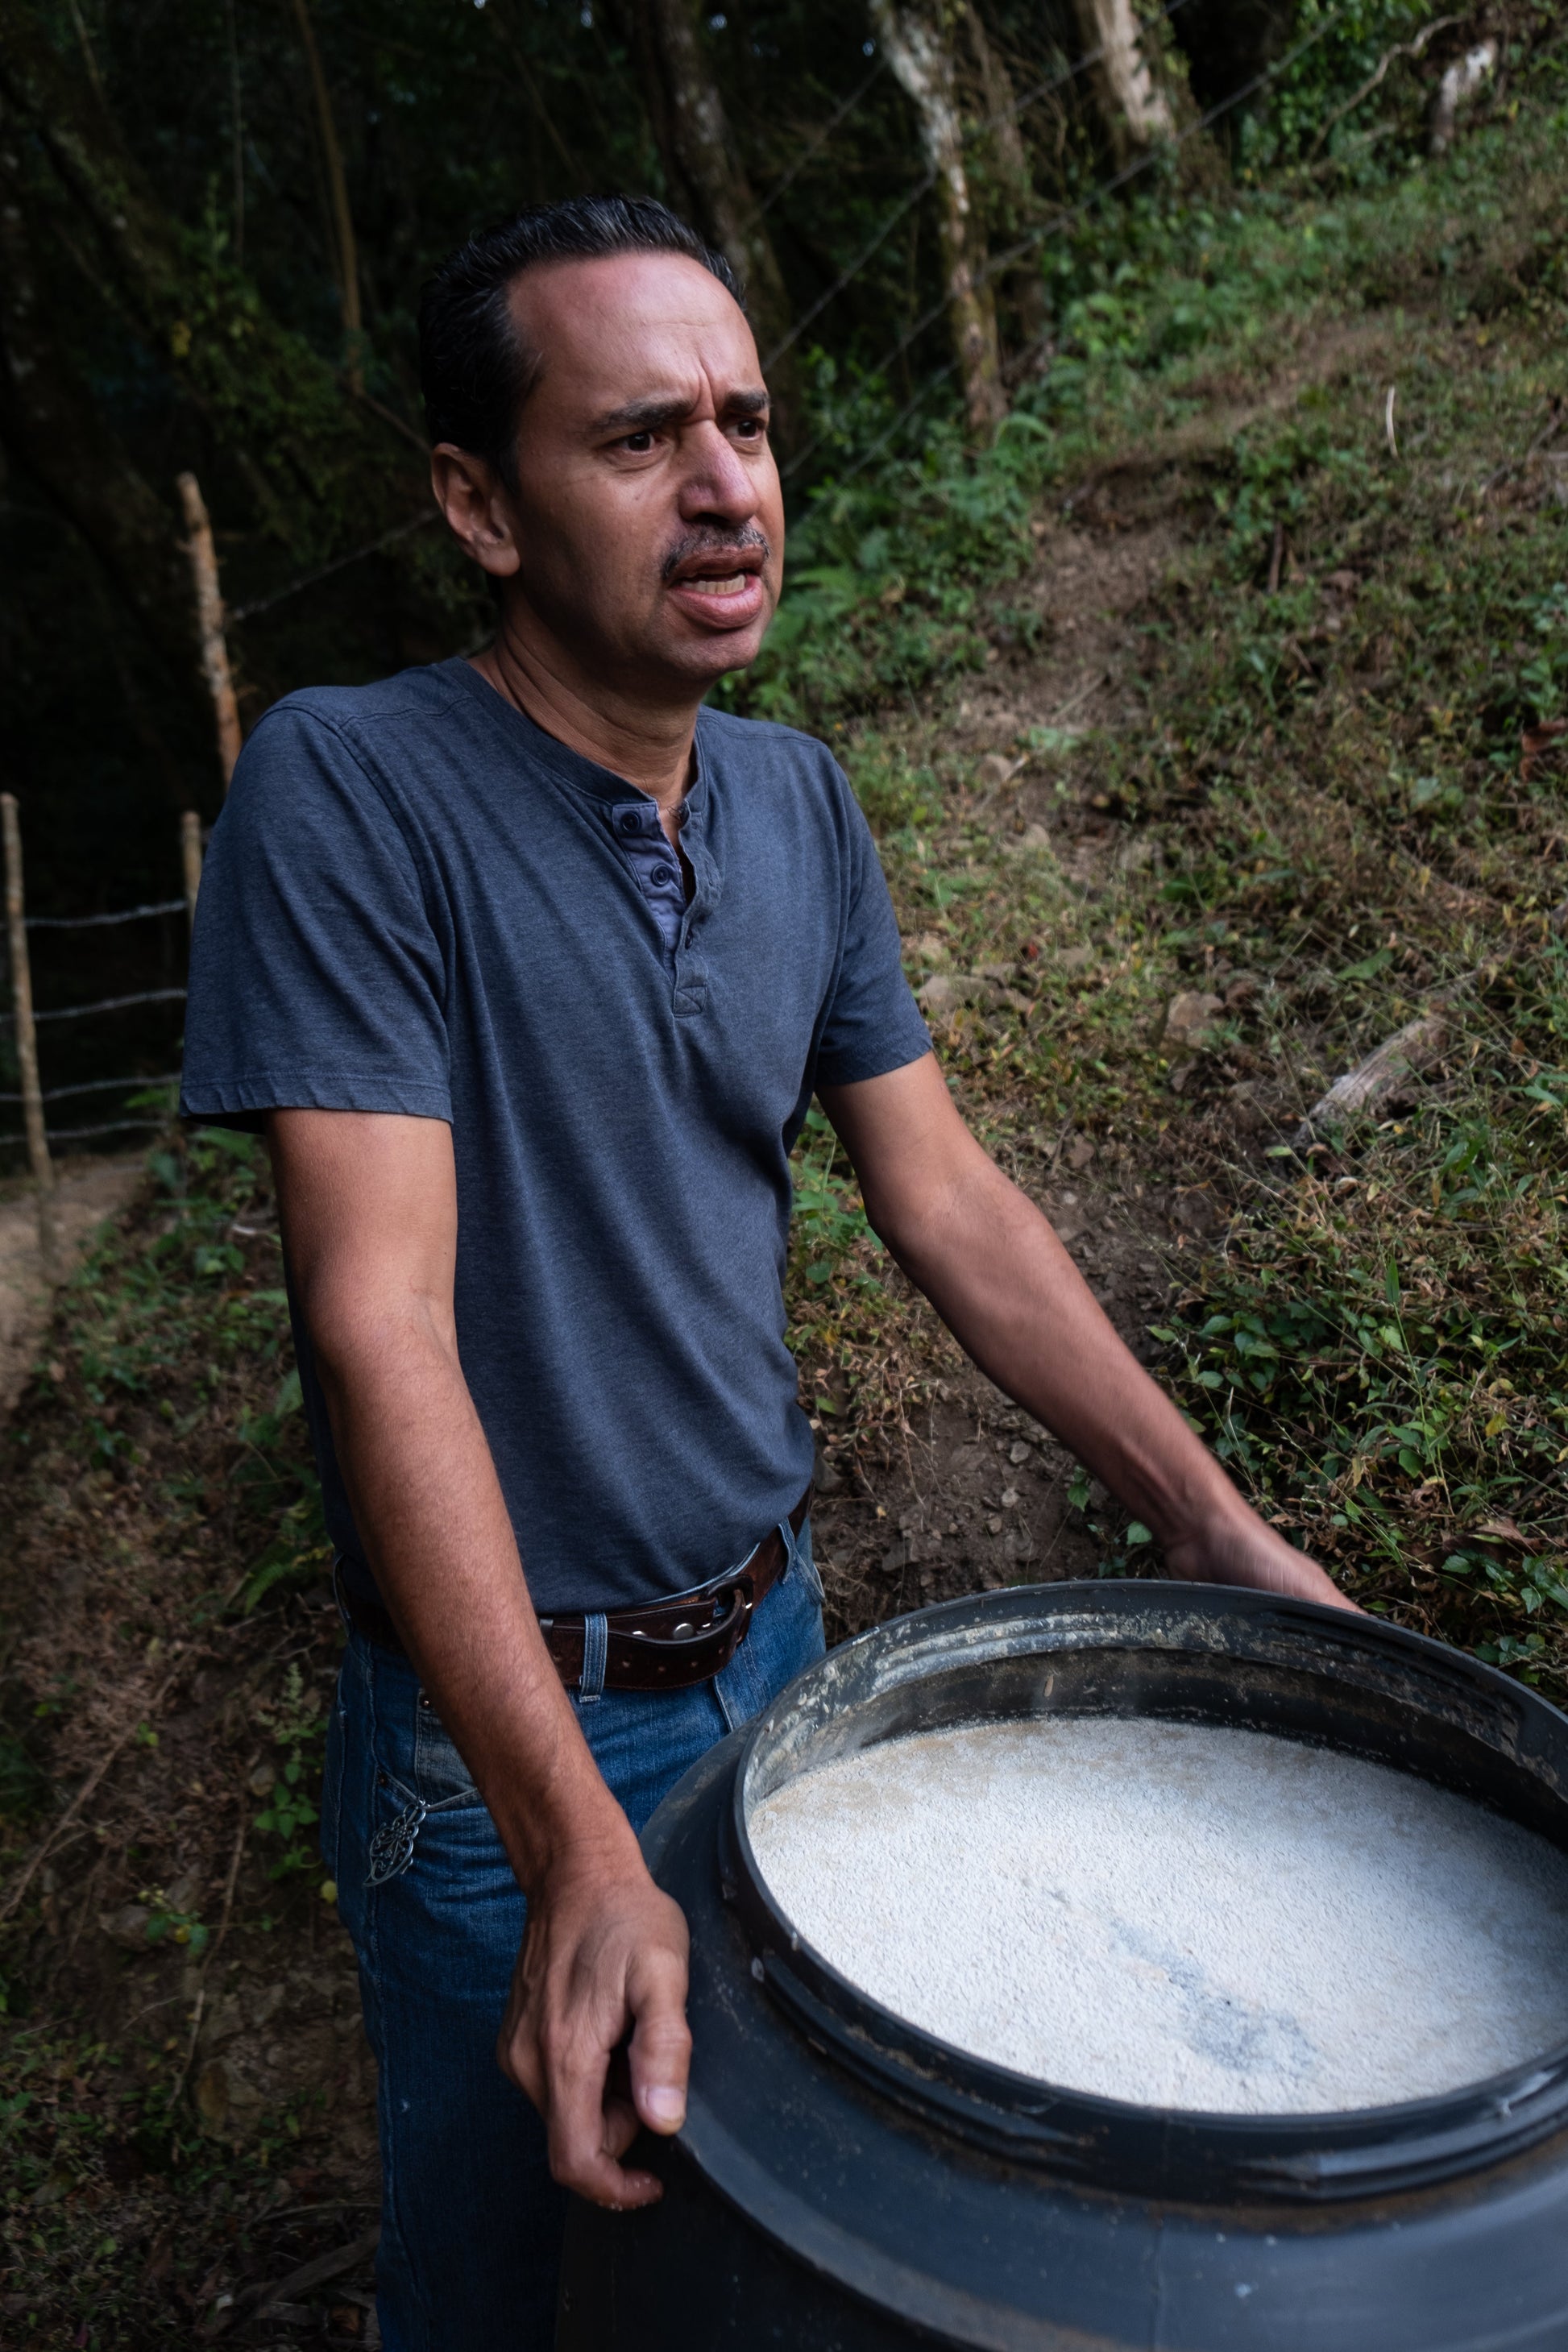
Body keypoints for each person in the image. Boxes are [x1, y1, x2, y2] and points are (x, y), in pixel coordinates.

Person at [180, 194, 1350, 2350]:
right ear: (480, 505)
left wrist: (1209, 1524)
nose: (724, 484)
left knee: (768, 2273)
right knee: (520, 2281)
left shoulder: (797, 804)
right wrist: (569, 1844)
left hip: (788, 1660)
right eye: (637, 439)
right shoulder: (352, 792)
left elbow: (948, 1203)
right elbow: (379, 1321)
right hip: (501, 1744)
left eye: (745, 421)